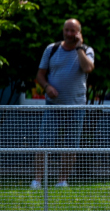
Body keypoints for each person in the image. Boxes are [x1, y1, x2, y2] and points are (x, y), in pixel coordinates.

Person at [31, 19, 95, 189]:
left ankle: (62, 181)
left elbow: (88, 68)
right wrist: (47, 86)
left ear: (79, 33)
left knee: (70, 144)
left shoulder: (87, 50)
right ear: (63, 30)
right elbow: (40, 74)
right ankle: (37, 181)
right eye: (67, 30)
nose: (69, 34)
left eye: (73, 31)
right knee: (44, 142)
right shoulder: (51, 49)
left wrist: (79, 47)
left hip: (76, 106)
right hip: (53, 104)